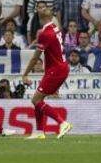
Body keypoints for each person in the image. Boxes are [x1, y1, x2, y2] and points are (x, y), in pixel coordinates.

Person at [22, 7, 72, 140]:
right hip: (58, 67)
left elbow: (35, 57)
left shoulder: (45, 34)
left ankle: (62, 123)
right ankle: (39, 132)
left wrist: (25, 74)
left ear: (40, 19)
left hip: (56, 70)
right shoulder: (55, 28)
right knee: (39, 99)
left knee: (35, 100)